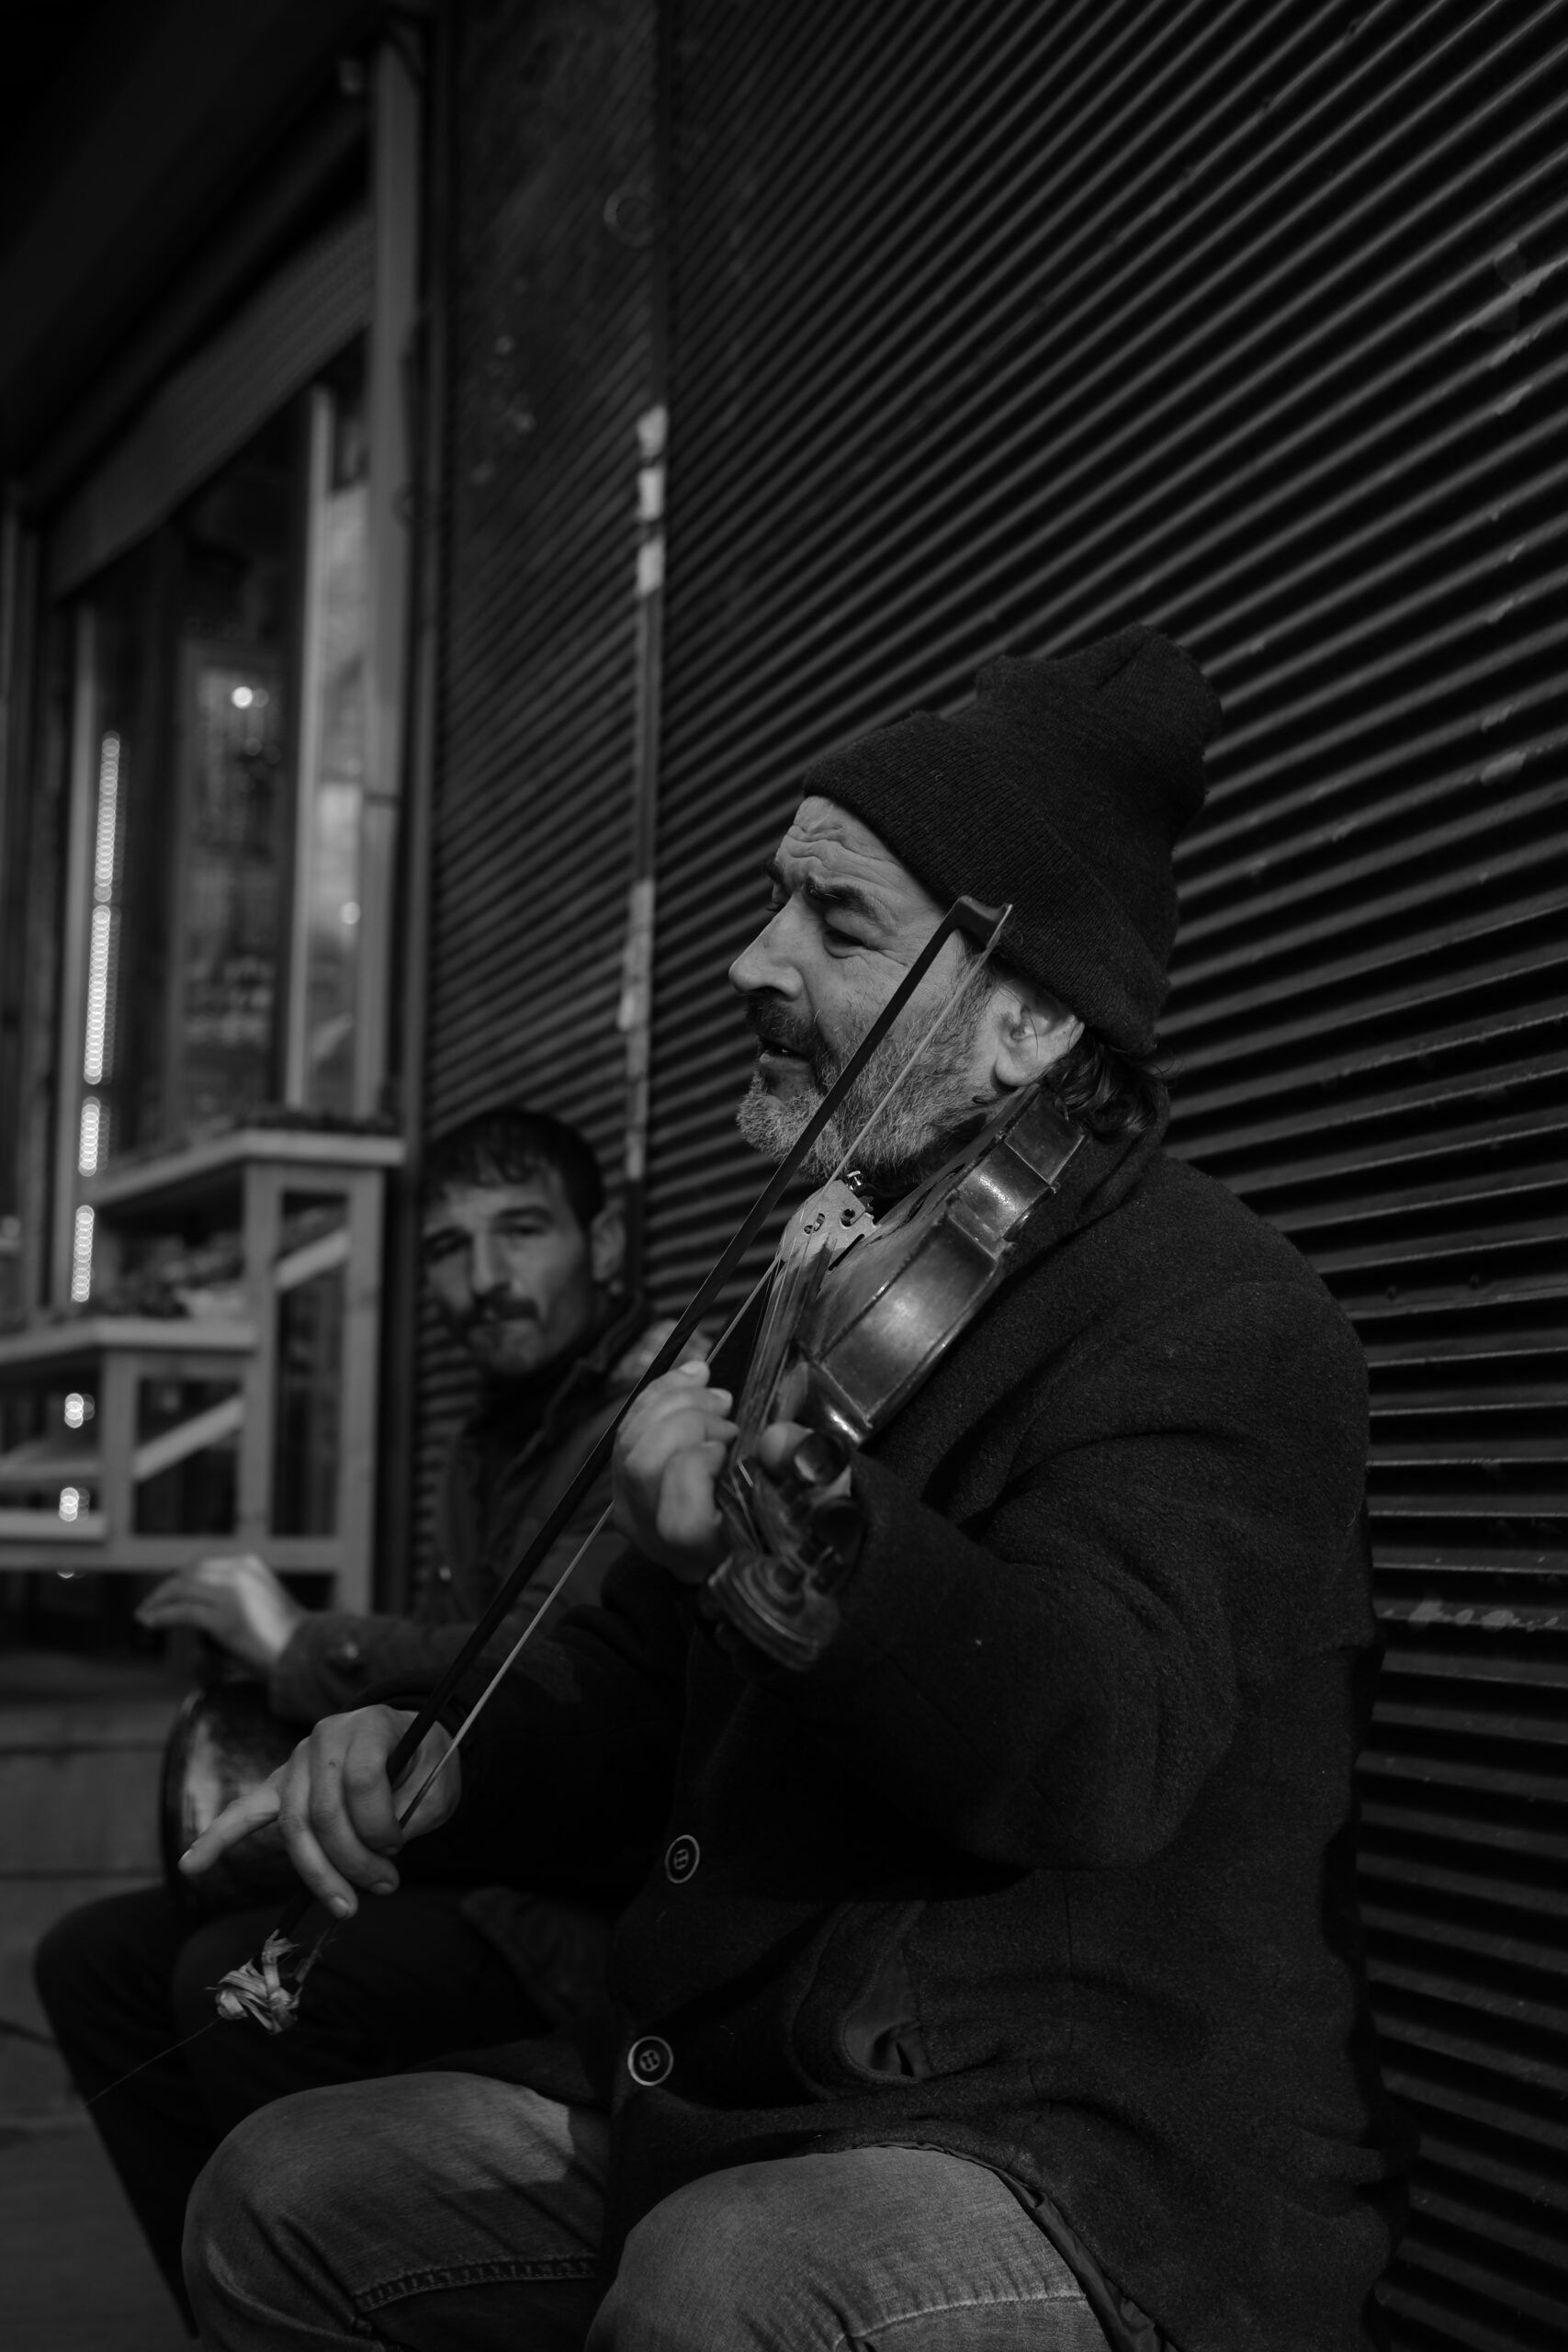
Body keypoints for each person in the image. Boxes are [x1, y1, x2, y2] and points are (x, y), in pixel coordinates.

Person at [178, 629, 1404, 2352]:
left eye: (837, 927)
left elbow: (1098, 1739)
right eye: (775, 902)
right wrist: (442, 1766)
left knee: (725, 2285)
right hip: (750, 2092)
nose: (752, 960)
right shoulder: (820, 1282)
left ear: (1026, 1023)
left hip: (1075, 2151)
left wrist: (801, 1546)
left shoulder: (1223, 1319)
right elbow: (619, 1693)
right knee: (287, 2190)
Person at [35, 1106, 667, 2327]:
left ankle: (334, 2289)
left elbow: (524, 1668)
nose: (483, 1282)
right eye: (447, 1248)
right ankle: (237, 2307)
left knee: (240, 1980)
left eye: (521, 1232)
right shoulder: (484, 1437)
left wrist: (298, 1643)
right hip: (486, 1862)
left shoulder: (644, 1412)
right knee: (98, 1959)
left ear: (607, 1237)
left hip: (584, 1909)